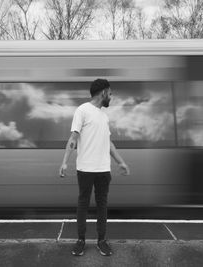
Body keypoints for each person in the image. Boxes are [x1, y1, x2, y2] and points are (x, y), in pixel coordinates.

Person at [59, 78, 130, 256]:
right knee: (83, 204)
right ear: (103, 92)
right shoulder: (82, 110)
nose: (111, 97)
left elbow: (109, 144)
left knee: (102, 206)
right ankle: (81, 240)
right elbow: (73, 138)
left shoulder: (104, 117)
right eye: (110, 93)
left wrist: (120, 162)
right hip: (85, 169)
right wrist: (64, 161)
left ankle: (101, 241)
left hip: (103, 170)